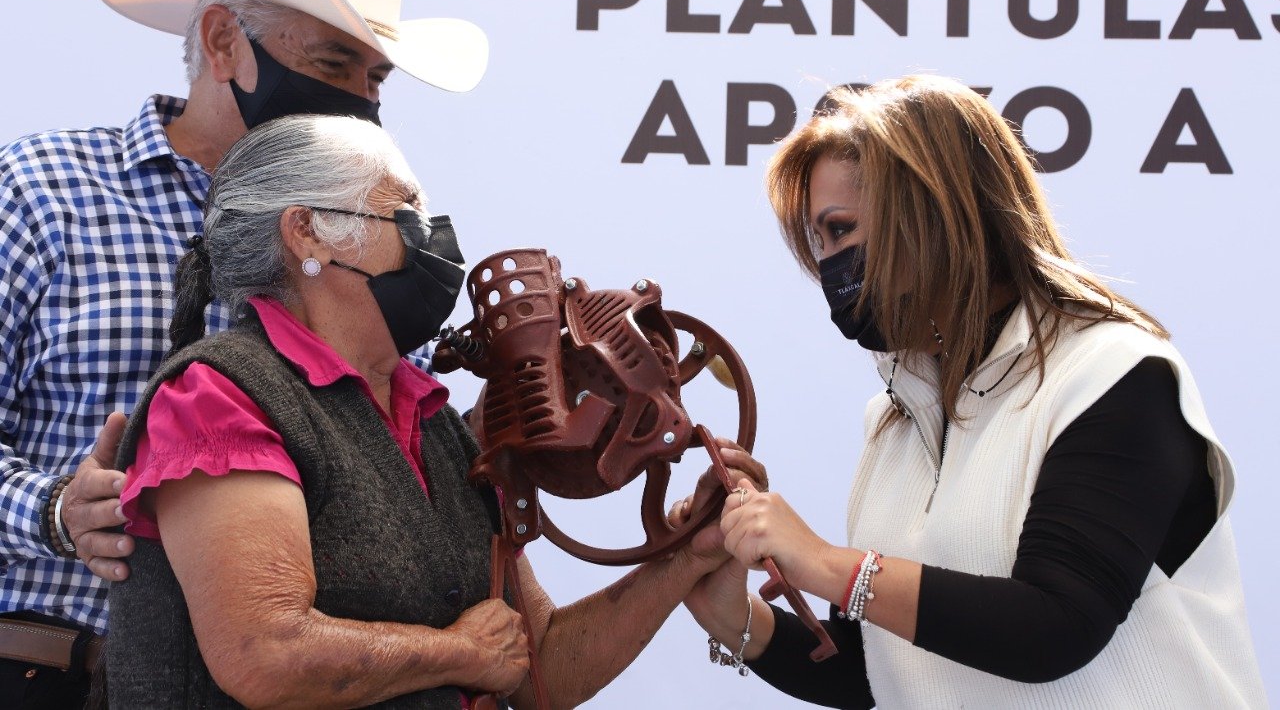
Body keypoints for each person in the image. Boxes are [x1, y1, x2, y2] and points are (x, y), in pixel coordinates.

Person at [0, 0, 487, 705]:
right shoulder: (41, 192)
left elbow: (392, 448)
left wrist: (508, 435)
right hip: (56, 672)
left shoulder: (373, 229)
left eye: (376, 76)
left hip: (307, 677)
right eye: (333, 63)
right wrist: (53, 511)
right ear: (223, 41)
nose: (363, 100)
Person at [107, 113, 761, 708]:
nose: (435, 237)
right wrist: (459, 653)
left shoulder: (435, 422)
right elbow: (266, 653)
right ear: (307, 233)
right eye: (403, 212)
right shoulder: (218, 396)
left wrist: (687, 557)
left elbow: (537, 667)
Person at [680, 75, 1266, 707]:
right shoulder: (896, 416)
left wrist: (822, 563)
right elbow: (892, 666)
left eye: (841, 230)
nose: (828, 265)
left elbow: (1055, 625)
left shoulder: (1114, 374)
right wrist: (733, 616)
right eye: (818, 242)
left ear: (934, 213)